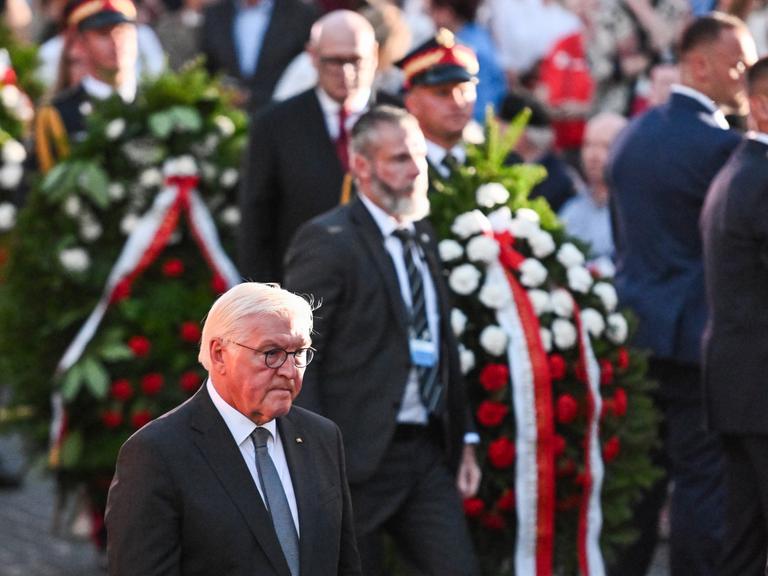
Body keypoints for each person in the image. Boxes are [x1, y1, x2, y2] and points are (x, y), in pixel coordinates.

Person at [283, 106, 481, 576]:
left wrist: (466, 435)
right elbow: (299, 359)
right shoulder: (328, 241)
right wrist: (312, 459)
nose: (416, 171)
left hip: (425, 453)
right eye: (400, 159)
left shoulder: (421, 234)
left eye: (419, 157)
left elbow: (442, 342)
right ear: (362, 167)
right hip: (354, 460)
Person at [606, 12, 757, 576]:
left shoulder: (633, 134)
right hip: (700, 341)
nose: (745, 77)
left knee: (641, 484)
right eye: (737, 63)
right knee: (701, 484)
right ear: (698, 64)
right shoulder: (723, 149)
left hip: (639, 335)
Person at [105, 282, 362, 576]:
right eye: (272, 353)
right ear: (219, 354)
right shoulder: (156, 453)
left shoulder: (322, 437)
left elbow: (344, 564)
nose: (290, 370)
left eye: (299, 352)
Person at [238, 9, 379, 283]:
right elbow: (256, 219)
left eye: (355, 60)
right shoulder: (275, 124)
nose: (346, 72)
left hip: (381, 286)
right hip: (302, 282)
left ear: (374, 54)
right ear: (312, 56)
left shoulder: (398, 117)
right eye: (334, 61)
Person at [701, 55, 768, 576]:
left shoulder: (739, 171)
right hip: (760, 391)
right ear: (761, 105)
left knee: (743, 546)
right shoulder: (760, 178)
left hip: (740, 387)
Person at [33, 0, 140, 174]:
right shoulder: (58, 115)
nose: (116, 42)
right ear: (81, 44)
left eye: (122, 31)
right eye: (103, 34)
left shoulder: (156, 102)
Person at [199, 0, 317, 110]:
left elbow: (309, 68)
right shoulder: (214, 13)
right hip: (225, 116)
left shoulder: (302, 13)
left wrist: (254, 98)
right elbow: (205, 65)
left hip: (282, 115)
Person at [399, 28, 478, 180]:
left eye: (464, 90)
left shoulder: (501, 163)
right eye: (442, 93)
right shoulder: (398, 170)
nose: (457, 102)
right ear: (412, 102)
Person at [559, 111, 627, 276]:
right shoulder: (572, 207)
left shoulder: (633, 213)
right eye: (588, 144)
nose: (593, 155)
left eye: (605, 146)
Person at [498, 90, 581, 213]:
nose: (497, 131)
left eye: (503, 125)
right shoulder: (503, 165)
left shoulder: (557, 179)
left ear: (522, 133)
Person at [425, 0, 506, 122]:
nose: (430, 17)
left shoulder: (462, 49)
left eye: (431, 11)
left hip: (475, 124)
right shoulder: (478, 34)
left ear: (448, 11)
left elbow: (481, 101)